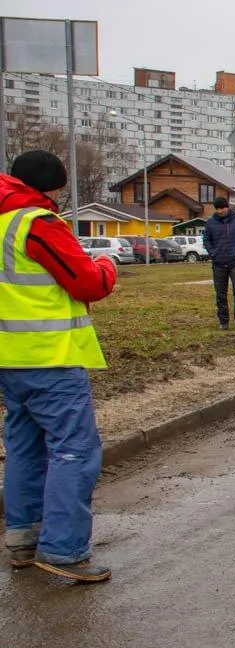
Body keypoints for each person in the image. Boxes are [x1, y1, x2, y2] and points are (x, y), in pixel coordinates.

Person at [0, 150, 117, 582]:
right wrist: (106, 265)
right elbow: (87, 282)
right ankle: (64, 550)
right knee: (75, 450)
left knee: (25, 447)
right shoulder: (38, 224)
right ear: (50, 187)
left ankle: (23, 539)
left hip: (9, 359)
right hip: (50, 357)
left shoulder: (2, 223)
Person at [202, 196, 235, 330]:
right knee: (220, 293)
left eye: (222, 208)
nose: (220, 211)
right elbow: (206, 240)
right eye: (217, 209)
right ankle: (224, 321)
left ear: (227, 207)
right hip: (218, 263)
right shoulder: (210, 222)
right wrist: (212, 253)